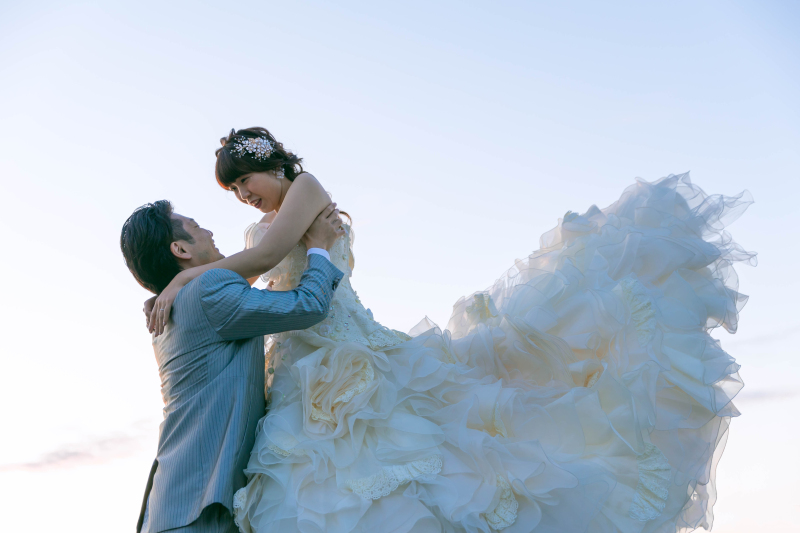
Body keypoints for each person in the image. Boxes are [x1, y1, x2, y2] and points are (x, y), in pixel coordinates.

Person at [151, 127, 756, 533]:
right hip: (299, 367)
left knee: (411, 458)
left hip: (339, 346)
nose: (242, 196)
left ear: (268, 163)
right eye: (232, 191)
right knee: (309, 482)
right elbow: (256, 272)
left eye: (243, 182)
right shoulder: (264, 225)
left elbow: (266, 258)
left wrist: (185, 278)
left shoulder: (305, 191)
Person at [120, 198, 345, 533]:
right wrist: (319, 248)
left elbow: (252, 266)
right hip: (197, 509)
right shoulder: (206, 293)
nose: (209, 232)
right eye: (196, 226)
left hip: (176, 506)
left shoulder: (176, 306)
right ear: (180, 249)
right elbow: (309, 305)